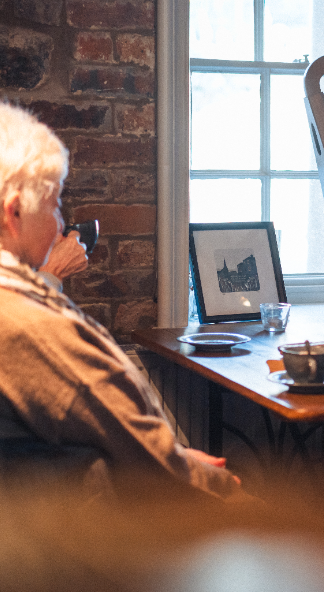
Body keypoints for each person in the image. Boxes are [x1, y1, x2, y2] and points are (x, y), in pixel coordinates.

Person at [0, 102, 241, 500]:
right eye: (55, 203)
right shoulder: (28, 325)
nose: (61, 223)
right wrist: (218, 486)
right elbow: (143, 451)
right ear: (15, 212)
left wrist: (175, 455)